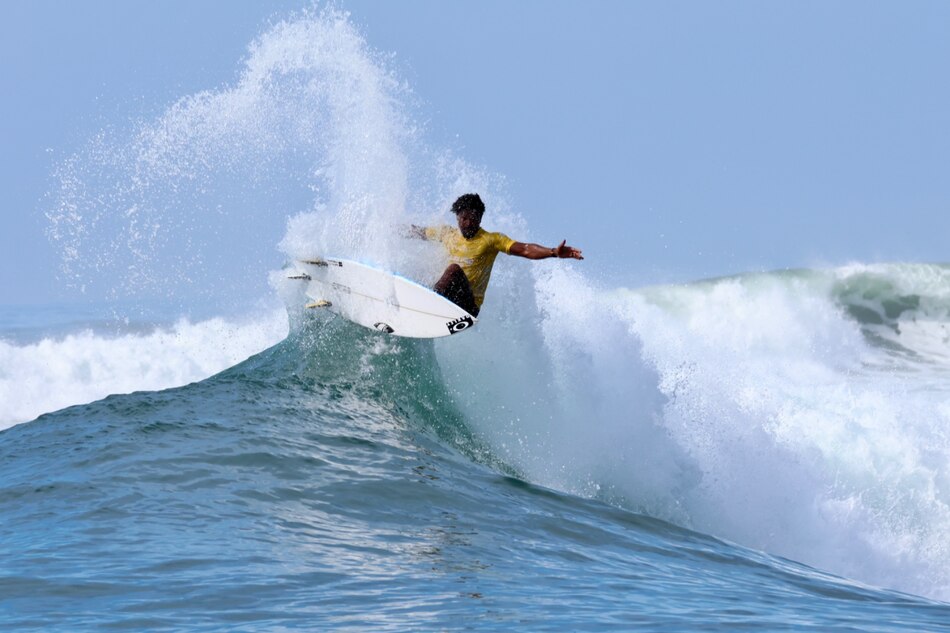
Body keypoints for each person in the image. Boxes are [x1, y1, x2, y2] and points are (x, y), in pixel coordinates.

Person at [408, 193, 583, 316]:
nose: (469, 223)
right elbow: (420, 232)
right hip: (447, 297)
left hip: (468, 307)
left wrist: (553, 252)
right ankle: (419, 304)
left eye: (474, 218)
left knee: (453, 269)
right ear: (457, 217)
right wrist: (389, 228)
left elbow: (525, 249)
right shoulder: (447, 234)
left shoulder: (490, 240)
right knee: (421, 271)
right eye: (464, 219)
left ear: (480, 219)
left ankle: (427, 305)